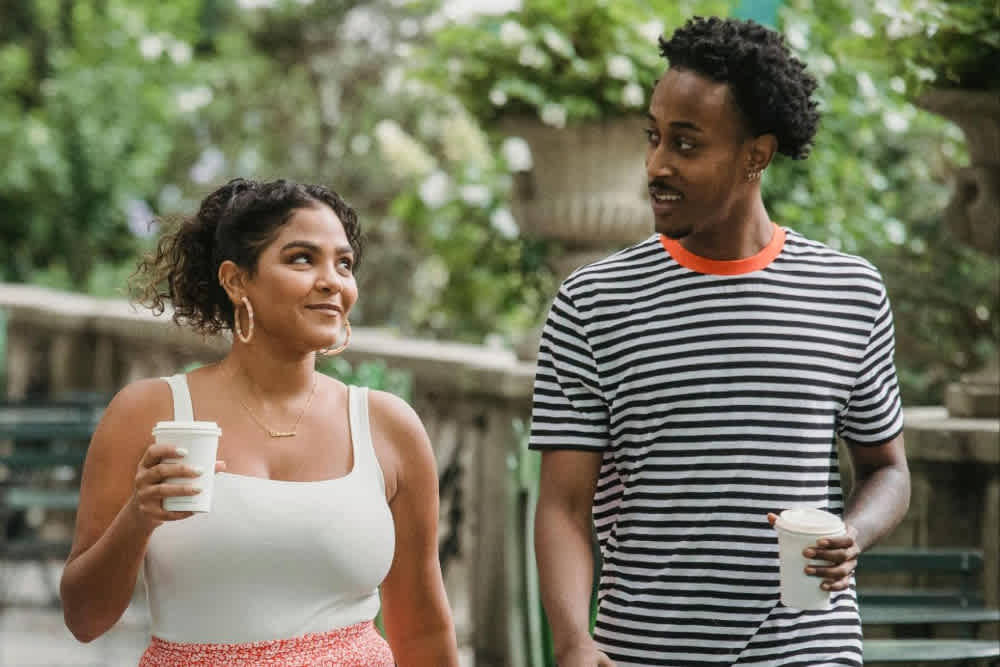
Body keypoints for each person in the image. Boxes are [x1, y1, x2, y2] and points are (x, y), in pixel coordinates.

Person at [530, 16, 910, 667]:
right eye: (653, 138)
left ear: (755, 155)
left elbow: (887, 469)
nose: (656, 165)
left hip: (809, 649)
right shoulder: (592, 305)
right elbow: (563, 506)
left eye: (686, 144)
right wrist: (572, 639)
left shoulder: (849, 291)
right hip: (644, 654)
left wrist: (852, 531)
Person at [59, 178, 459, 666]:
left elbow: (422, 631)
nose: (332, 280)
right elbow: (84, 619)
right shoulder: (148, 413)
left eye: (344, 263)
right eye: (301, 258)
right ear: (236, 280)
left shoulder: (389, 427)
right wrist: (139, 517)